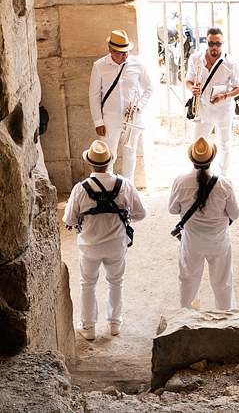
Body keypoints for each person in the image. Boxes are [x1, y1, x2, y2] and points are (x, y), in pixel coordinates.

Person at [63, 140, 147, 340]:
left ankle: (89, 327)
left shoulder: (80, 188)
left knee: (87, 284)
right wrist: (124, 217)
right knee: (116, 283)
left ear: (89, 164)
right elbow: (141, 213)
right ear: (110, 162)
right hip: (117, 245)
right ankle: (115, 324)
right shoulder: (124, 185)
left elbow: (69, 219)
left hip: (89, 247)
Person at [168, 137, 239, 311]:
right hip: (219, 241)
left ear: (191, 159)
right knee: (223, 284)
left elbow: (172, 209)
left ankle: (188, 321)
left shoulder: (180, 181)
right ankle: (226, 322)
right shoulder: (224, 183)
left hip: (192, 241)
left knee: (188, 283)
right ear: (212, 159)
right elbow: (235, 213)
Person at [89, 30, 154, 184]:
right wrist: (98, 122)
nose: (125, 56)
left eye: (127, 52)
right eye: (120, 53)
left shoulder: (137, 63)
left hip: (132, 118)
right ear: (110, 51)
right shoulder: (99, 66)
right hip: (110, 119)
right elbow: (94, 95)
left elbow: (149, 87)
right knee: (107, 156)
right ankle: (109, 188)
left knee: (130, 153)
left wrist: (138, 107)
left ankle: (129, 187)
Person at [185, 28, 239, 176]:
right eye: (211, 43)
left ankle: (224, 176)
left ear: (222, 43)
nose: (214, 47)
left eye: (217, 43)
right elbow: (188, 80)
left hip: (223, 110)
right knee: (197, 144)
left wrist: (224, 96)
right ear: (206, 42)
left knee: (224, 144)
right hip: (202, 110)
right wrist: (192, 88)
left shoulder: (230, 62)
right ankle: (198, 175)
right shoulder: (195, 58)